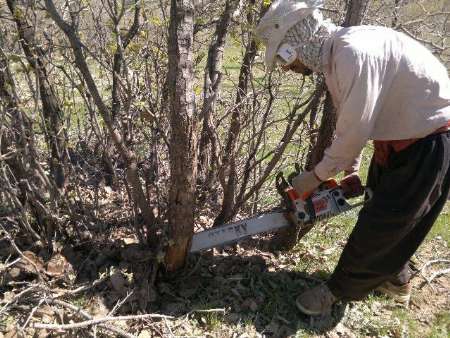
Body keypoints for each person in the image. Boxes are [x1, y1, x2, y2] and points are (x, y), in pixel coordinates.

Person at [255, 0, 450, 316]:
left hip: (429, 141)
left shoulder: (352, 54)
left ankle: (337, 291)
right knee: (385, 213)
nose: (286, 67)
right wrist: (350, 169)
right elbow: (357, 119)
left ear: (295, 47)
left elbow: (356, 129)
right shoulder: (340, 56)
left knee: (382, 223)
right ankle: (397, 281)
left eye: (283, 57)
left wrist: (315, 177)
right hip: (401, 138)